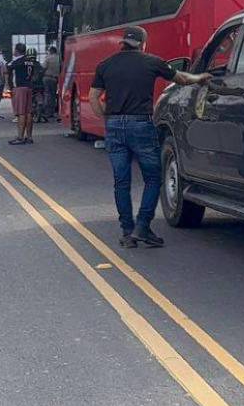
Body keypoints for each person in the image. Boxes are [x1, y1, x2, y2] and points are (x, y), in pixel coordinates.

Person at [89, 25, 211, 248]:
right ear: (143, 44)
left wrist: (107, 117)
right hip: (140, 125)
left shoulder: (105, 65)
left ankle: (127, 232)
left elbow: (94, 97)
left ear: (122, 43)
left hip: (114, 125)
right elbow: (181, 78)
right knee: (153, 178)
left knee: (121, 182)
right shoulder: (151, 62)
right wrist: (200, 78)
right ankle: (143, 226)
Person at [7, 43, 37, 145]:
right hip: (29, 87)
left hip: (20, 88)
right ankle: (29, 137)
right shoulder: (30, 62)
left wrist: (11, 87)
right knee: (29, 113)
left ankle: (20, 137)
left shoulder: (16, 62)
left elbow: (8, 68)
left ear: (17, 51)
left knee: (21, 113)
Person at [41, 44, 59, 121]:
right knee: (53, 95)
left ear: (51, 51)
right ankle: (52, 112)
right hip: (55, 79)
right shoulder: (59, 58)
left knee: (47, 94)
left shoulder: (48, 58)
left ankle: (46, 112)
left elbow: (43, 67)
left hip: (47, 78)